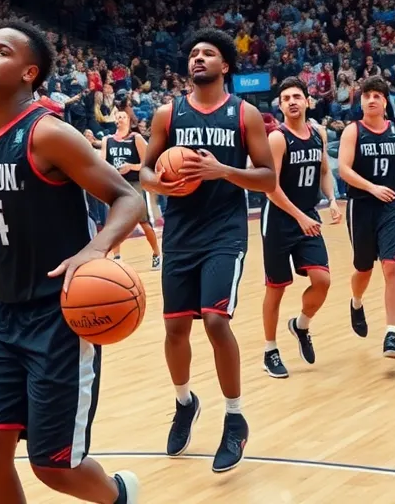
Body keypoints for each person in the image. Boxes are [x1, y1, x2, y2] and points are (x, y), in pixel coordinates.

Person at [0, 21, 144, 504]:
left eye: (1, 52)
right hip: (4, 314)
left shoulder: (49, 134)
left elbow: (127, 197)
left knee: (53, 466)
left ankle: (118, 496)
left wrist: (96, 250)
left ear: (29, 72)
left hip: (60, 317)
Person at [138, 28, 275, 472]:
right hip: (180, 234)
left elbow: (268, 178)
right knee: (176, 329)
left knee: (215, 320)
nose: (199, 58)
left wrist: (221, 170)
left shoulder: (245, 114)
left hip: (224, 233)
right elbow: (142, 170)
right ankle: (185, 402)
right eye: (194, 53)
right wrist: (158, 183)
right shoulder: (167, 114)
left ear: (225, 66)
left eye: (209, 53)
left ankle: (234, 419)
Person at [337, 75, 395, 360]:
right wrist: (371, 187)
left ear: (385, 100)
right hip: (361, 205)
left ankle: (392, 333)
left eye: (377, 95)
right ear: (361, 101)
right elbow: (343, 169)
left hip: (390, 206)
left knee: (391, 266)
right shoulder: (353, 131)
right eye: (367, 95)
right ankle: (356, 301)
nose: (372, 99)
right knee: (363, 269)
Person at [260, 77, 337, 378]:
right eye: (285, 98)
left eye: (296, 96)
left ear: (307, 101)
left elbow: (325, 170)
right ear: (280, 106)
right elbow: (270, 187)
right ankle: (270, 350)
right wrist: (300, 218)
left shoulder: (319, 133)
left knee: (323, 281)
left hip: (307, 215)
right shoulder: (278, 138)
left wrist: (332, 198)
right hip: (279, 219)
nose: (291, 101)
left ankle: (301, 325)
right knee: (275, 289)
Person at [99, 110, 161, 268]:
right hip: (117, 184)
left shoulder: (136, 138)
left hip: (134, 184)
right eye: (118, 117)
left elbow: (146, 163)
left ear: (129, 121)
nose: (120, 119)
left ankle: (156, 254)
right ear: (115, 121)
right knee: (114, 224)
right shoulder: (107, 140)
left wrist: (130, 167)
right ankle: (117, 258)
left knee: (144, 222)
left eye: (123, 116)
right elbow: (102, 163)